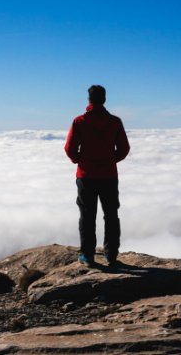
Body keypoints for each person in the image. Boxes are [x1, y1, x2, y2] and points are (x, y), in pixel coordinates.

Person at [64, 84, 130, 266]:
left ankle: (87, 255)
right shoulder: (115, 122)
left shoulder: (80, 121)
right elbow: (124, 149)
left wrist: (80, 161)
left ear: (89, 100)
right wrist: (110, 161)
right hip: (109, 176)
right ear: (105, 99)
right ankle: (111, 255)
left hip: (86, 176)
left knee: (87, 215)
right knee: (111, 214)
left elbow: (69, 148)